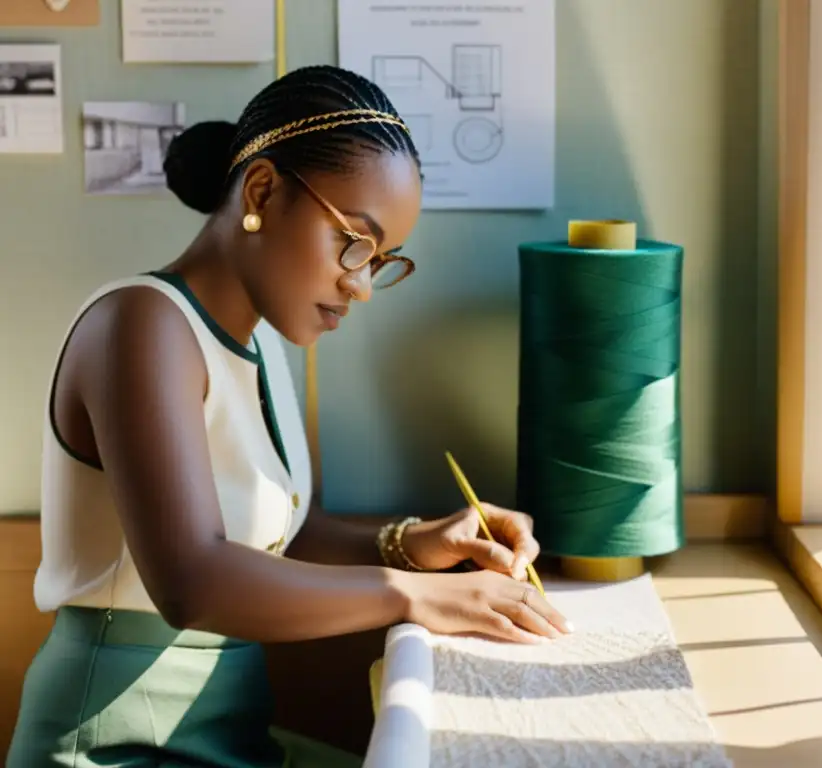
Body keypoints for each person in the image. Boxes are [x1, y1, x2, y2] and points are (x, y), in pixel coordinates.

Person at [7, 64, 570, 768]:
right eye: (354, 243)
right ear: (263, 191)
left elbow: (282, 543)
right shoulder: (140, 325)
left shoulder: (264, 344)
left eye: (382, 260)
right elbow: (194, 583)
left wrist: (413, 541)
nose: (362, 287)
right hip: (117, 745)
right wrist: (414, 596)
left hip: (230, 736)